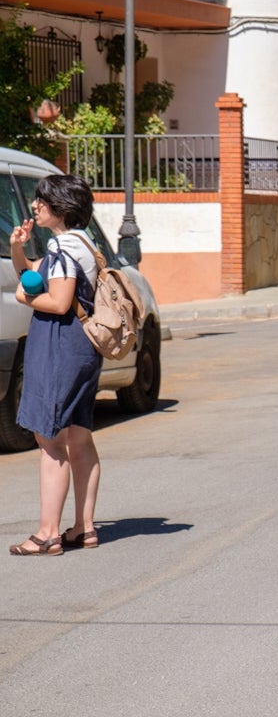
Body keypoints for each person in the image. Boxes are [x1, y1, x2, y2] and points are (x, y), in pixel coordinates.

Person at [8, 175, 103, 556]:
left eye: (42, 200)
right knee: (79, 437)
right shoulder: (79, 242)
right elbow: (33, 273)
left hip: (59, 346)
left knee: (50, 441)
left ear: (60, 206)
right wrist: (18, 250)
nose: (35, 206)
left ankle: (48, 532)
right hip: (82, 347)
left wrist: (24, 299)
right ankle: (85, 527)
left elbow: (58, 301)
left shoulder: (62, 247)